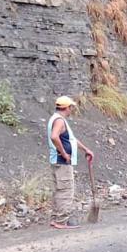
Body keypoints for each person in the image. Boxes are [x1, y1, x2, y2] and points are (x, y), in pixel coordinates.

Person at [47, 96, 94, 229]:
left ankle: (57, 218)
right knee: (66, 190)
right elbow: (54, 137)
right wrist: (64, 153)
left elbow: (71, 139)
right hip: (62, 161)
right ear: (67, 107)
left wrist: (85, 149)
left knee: (60, 190)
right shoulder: (59, 121)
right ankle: (61, 221)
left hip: (59, 161)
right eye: (71, 107)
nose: (72, 110)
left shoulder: (57, 119)